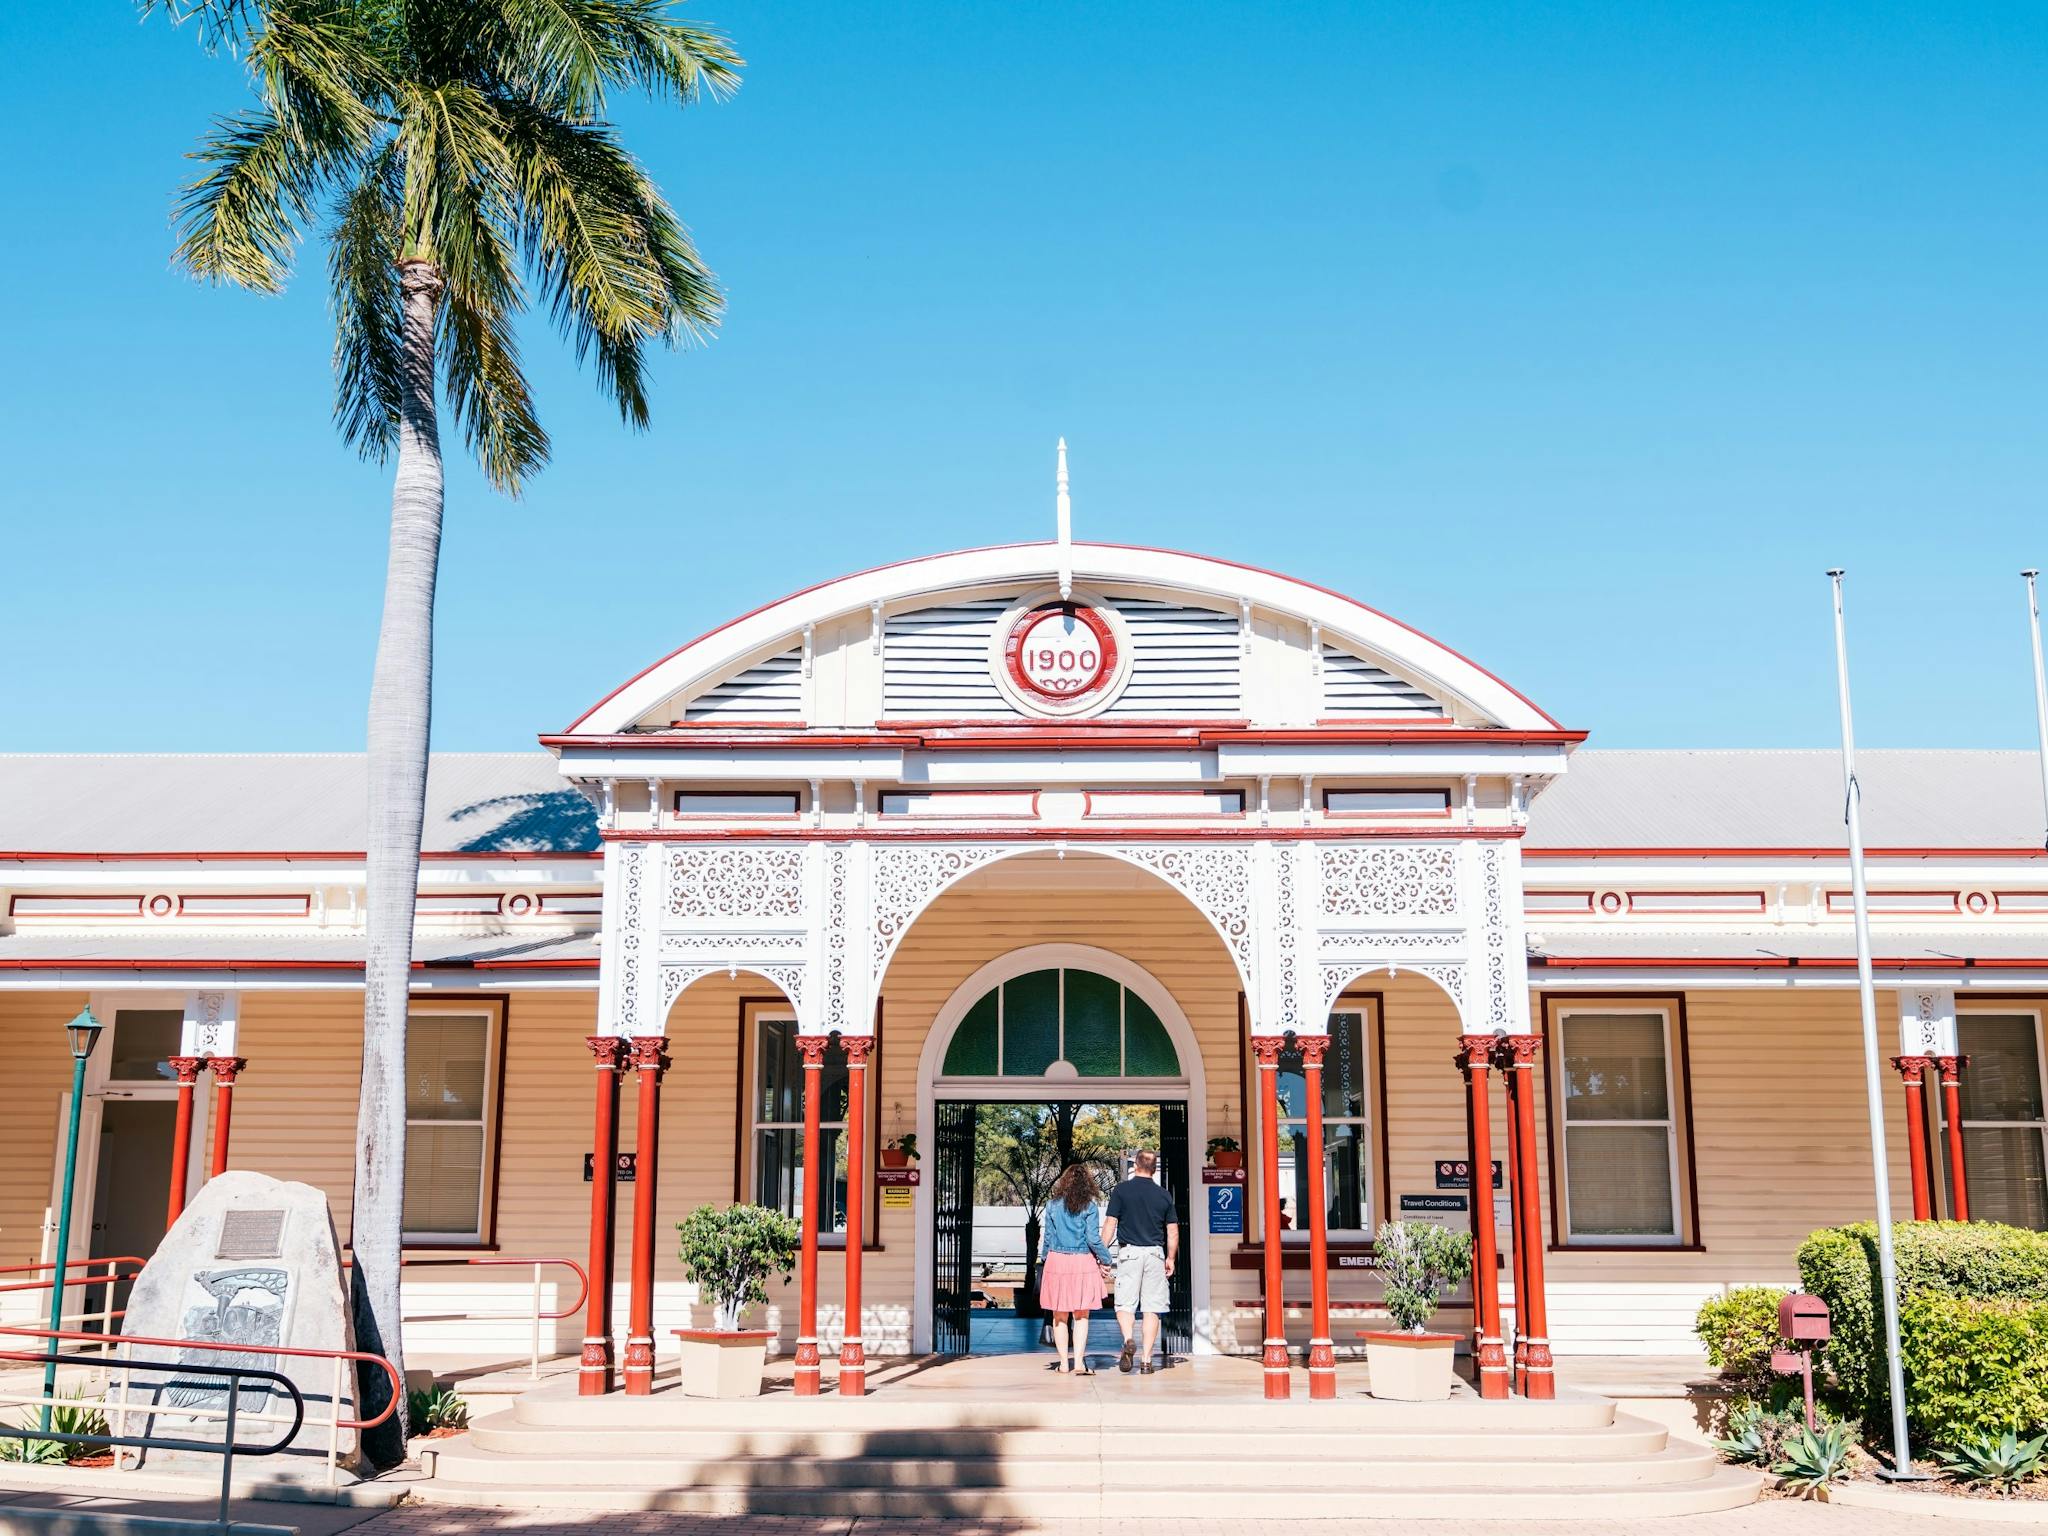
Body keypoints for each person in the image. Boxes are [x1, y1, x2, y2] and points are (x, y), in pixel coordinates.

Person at [1102, 1148, 1178, 1374]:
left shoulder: (1122, 1191)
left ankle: (1128, 1339)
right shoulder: (1164, 1195)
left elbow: (1110, 1223)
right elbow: (1172, 1231)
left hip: (1130, 1253)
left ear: (1135, 1166)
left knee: (1125, 1304)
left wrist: (1101, 1253)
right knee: (1152, 1308)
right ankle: (1146, 1361)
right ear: (1154, 1169)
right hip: (1155, 1253)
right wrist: (1171, 1258)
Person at [1038, 1163, 1114, 1374]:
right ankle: (1079, 1363)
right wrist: (1106, 1259)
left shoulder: (1052, 1205)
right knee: (1082, 1316)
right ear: (1086, 1184)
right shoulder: (1089, 1206)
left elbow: (1049, 1238)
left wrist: (1046, 1259)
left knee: (1059, 1316)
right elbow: (1093, 1238)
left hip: (1057, 1261)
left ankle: (1063, 1363)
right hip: (1082, 1262)